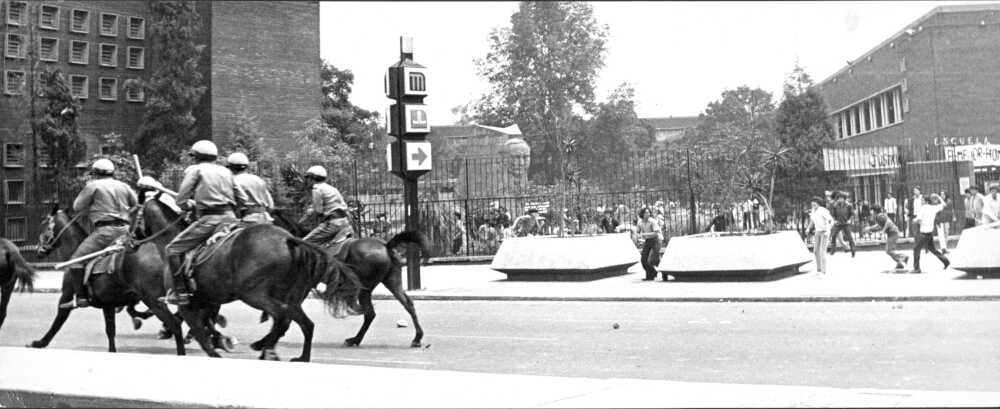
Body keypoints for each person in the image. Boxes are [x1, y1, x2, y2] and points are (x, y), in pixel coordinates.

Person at [161, 140, 248, 305]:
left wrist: (188, 206)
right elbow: (243, 198)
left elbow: (181, 200)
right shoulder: (226, 171)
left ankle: (180, 291)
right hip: (231, 218)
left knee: (172, 249)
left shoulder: (196, 170)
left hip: (209, 220)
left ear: (197, 157)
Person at [59, 159, 138, 309]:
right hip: (126, 231)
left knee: (76, 261)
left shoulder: (93, 186)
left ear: (95, 173)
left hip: (105, 232)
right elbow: (136, 205)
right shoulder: (124, 186)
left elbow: (77, 206)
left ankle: (81, 298)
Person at [299, 165, 353, 249]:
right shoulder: (332, 188)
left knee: (304, 244)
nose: (307, 181)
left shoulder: (317, 189)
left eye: (307, 178)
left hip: (332, 224)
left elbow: (318, 211)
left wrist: (307, 215)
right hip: (345, 224)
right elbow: (344, 207)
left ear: (311, 178)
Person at [226, 152, 274, 224]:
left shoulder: (232, 181)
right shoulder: (258, 180)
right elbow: (271, 206)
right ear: (246, 167)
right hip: (265, 219)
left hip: (246, 219)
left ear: (230, 167)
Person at [912, 194, 950, 274]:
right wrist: (939, 197)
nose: (921, 201)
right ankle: (945, 261)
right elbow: (944, 205)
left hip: (923, 233)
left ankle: (916, 268)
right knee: (933, 249)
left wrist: (915, 220)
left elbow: (919, 220)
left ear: (926, 201)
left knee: (916, 249)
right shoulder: (933, 208)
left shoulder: (922, 208)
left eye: (922, 200)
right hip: (930, 232)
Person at [863, 205, 908, 270]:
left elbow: (888, 222)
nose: (870, 212)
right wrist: (870, 228)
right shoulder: (879, 216)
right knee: (889, 250)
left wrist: (883, 231)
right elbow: (879, 226)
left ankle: (904, 257)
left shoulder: (879, 216)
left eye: (871, 210)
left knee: (888, 250)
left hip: (893, 233)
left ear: (874, 211)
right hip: (892, 233)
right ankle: (899, 263)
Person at [805, 197, 834, 276]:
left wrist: (828, 230)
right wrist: (808, 228)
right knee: (815, 251)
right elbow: (812, 221)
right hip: (818, 232)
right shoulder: (813, 210)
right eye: (812, 202)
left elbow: (830, 220)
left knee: (822, 251)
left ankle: (823, 271)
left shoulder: (823, 210)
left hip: (824, 232)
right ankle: (819, 270)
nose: (813, 203)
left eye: (815, 202)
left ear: (818, 203)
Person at [636, 207, 664, 281]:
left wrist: (644, 234)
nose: (647, 214)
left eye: (648, 212)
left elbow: (656, 233)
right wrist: (639, 237)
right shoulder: (640, 222)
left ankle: (664, 271)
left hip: (656, 240)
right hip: (648, 240)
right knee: (643, 260)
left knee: (653, 259)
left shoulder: (652, 221)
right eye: (646, 212)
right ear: (642, 214)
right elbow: (638, 232)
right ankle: (652, 273)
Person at [827, 192, 856, 257]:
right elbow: (833, 214)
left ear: (844, 199)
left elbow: (852, 214)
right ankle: (833, 249)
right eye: (839, 198)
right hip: (838, 223)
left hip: (846, 223)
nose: (840, 200)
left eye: (841, 198)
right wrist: (835, 220)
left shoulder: (848, 205)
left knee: (849, 237)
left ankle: (853, 250)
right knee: (833, 235)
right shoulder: (835, 206)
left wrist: (849, 220)